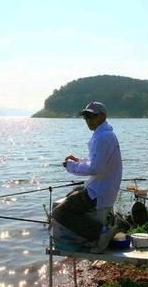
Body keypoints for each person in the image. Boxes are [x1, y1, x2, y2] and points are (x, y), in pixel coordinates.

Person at [52, 101, 122, 253]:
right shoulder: (104, 134)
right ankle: (92, 233)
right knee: (69, 196)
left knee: (59, 212)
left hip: (99, 191)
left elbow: (95, 167)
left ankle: (100, 232)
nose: (88, 120)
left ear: (102, 116)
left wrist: (70, 166)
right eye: (85, 117)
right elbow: (95, 161)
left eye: (91, 116)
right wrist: (78, 160)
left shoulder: (102, 137)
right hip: (101, 187)